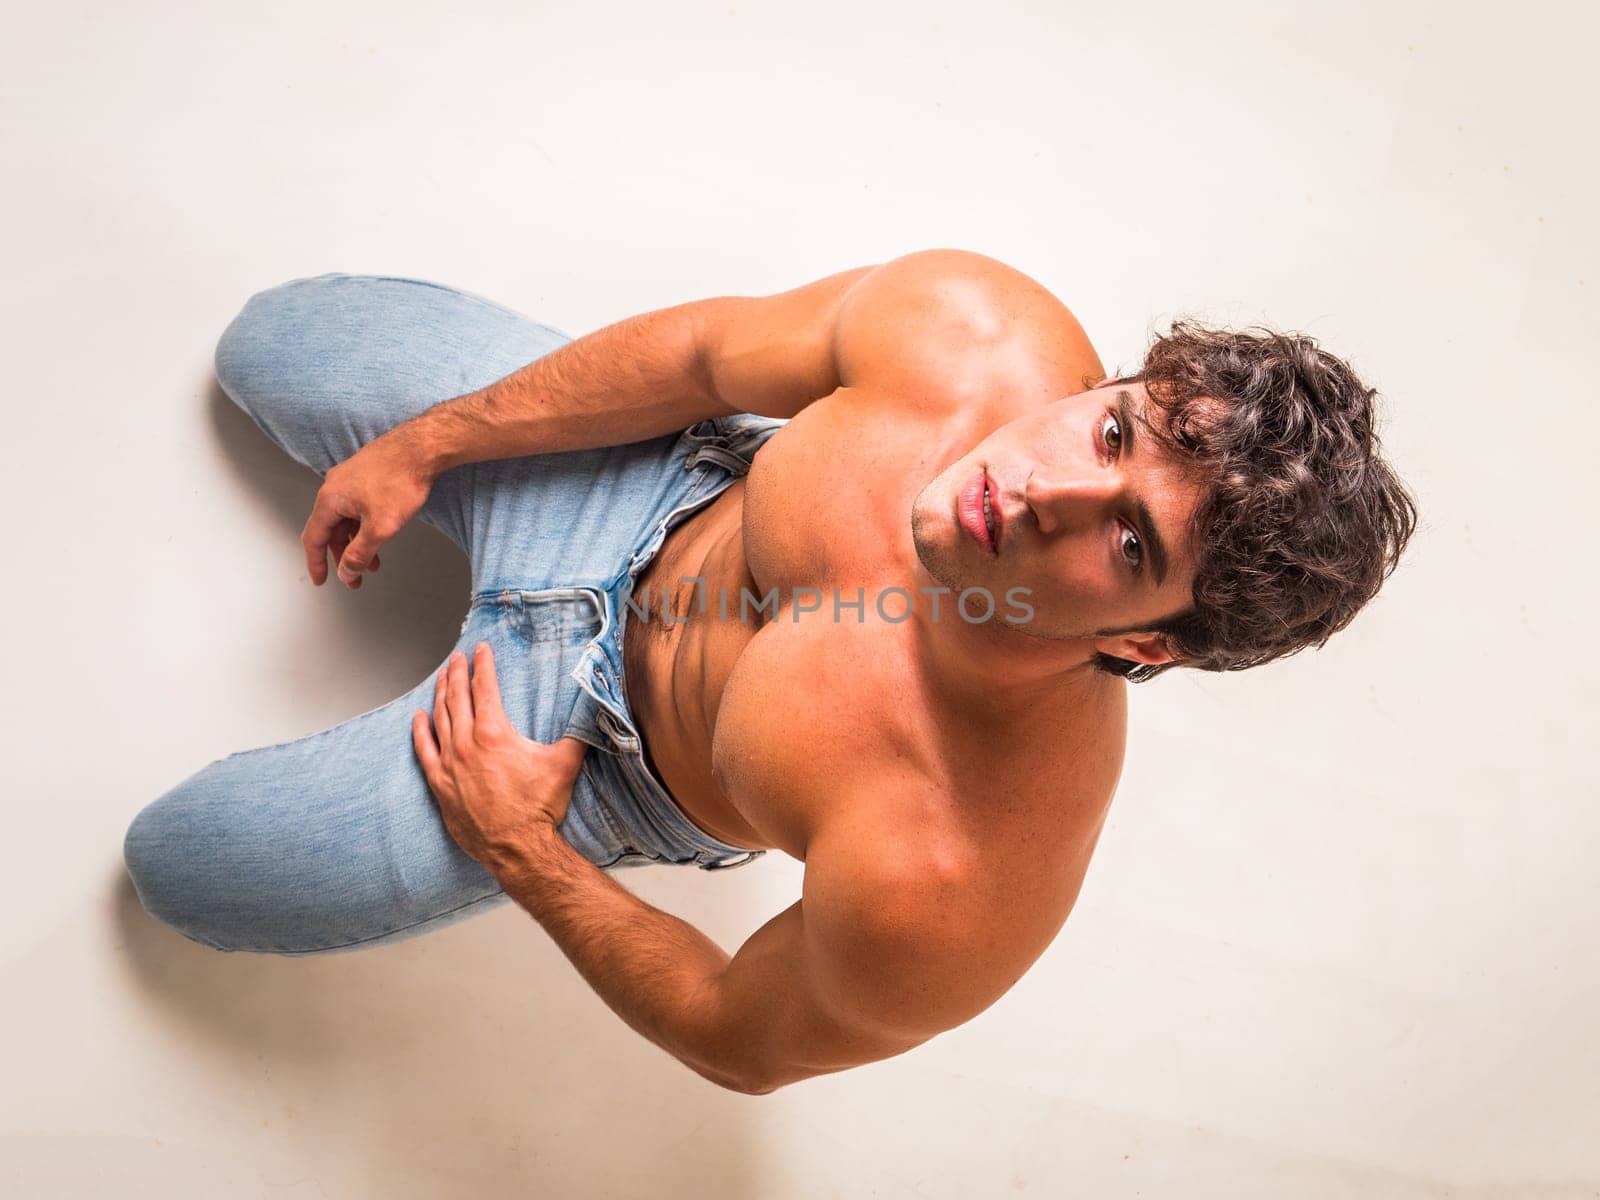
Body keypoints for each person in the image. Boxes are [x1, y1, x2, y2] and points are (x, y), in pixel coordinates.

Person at [123, 248, 1417, 1094]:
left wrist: (525, 846)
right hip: (639, 481)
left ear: (1148, 640)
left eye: (1129, 537)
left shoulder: (963, 871)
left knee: (182, 871)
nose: (1040, 489)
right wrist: (433, 443)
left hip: (583, 770)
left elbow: (743, 1028)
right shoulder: (976, 333)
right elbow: (702, 358)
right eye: (1115, 424)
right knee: (269, 341)